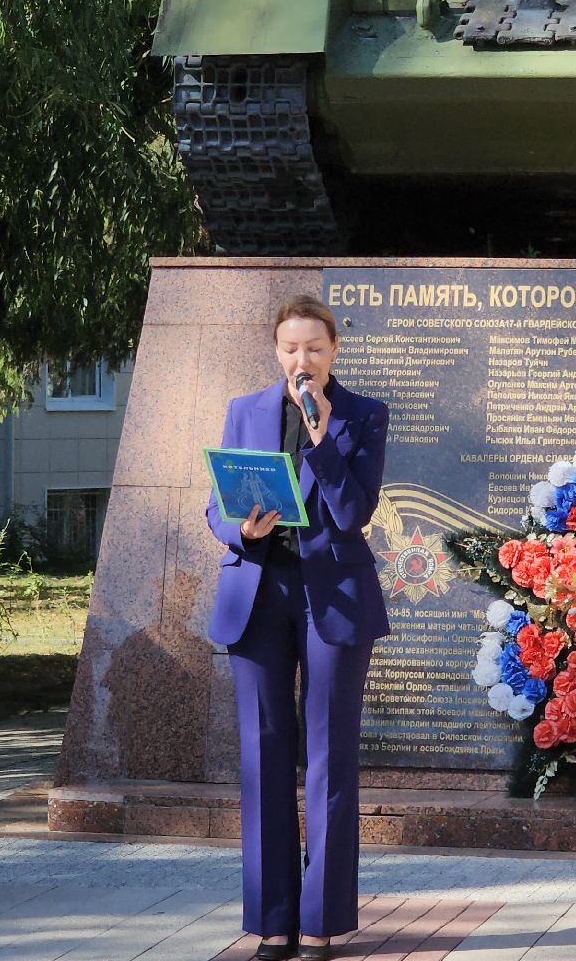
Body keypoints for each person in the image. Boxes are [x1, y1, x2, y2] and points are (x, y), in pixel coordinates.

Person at [206, 295, 390, 961]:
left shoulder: (364, 414)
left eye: (314, 347)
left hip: (332, 593)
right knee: (263, 753)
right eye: (290, 348)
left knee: (329, 756)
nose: (301, 360)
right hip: (258, 587)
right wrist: (239, 525)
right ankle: (273, 919)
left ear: (334, 350)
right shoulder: (245, 410)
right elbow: (215, 505)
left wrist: (321, 440)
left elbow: (352, 509)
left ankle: (320, 919)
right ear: (275, 349)